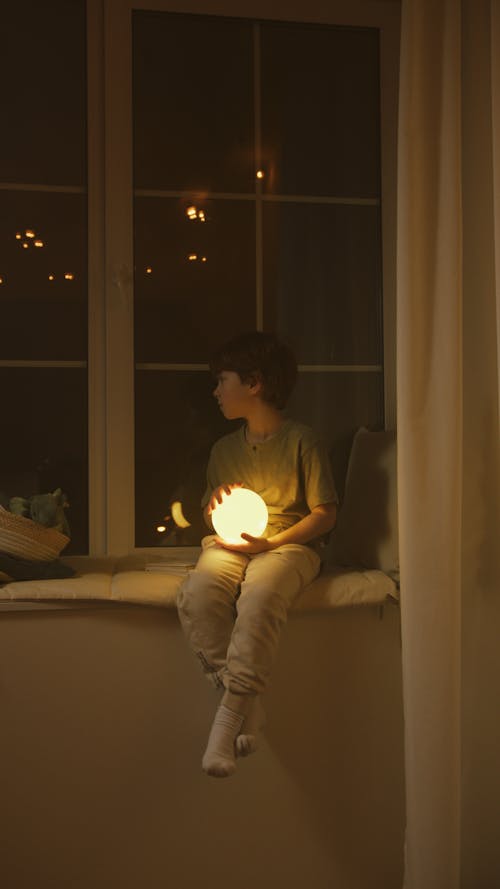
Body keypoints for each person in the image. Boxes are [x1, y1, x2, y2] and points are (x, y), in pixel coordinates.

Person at [177, 331, 338, 778]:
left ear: (254, 383)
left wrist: (271, 544)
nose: (215, 391)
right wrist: (214, 509)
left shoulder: (302, 441)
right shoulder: (223, 450)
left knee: (261, 597)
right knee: (200, 594)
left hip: (288, 545)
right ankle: (248, 708)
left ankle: (226, 722)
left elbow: (325, 513)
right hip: (232, 544)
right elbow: (213, 512)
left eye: (221, 380)